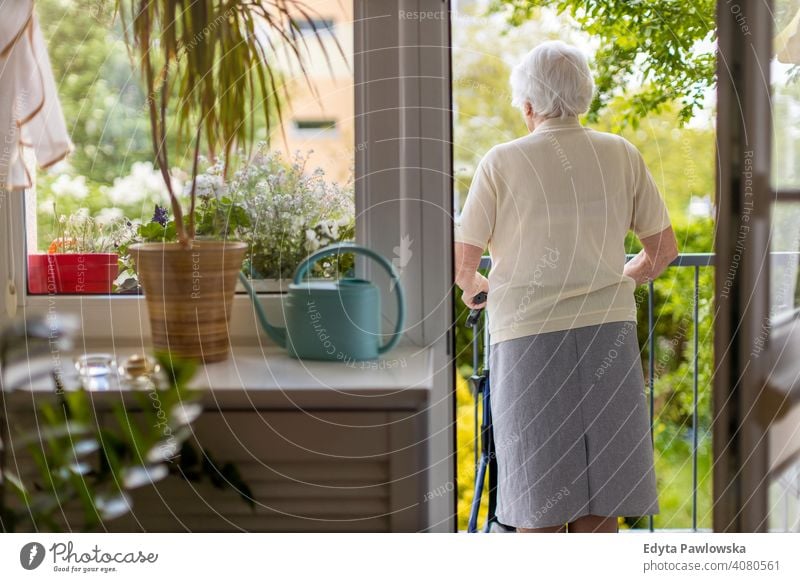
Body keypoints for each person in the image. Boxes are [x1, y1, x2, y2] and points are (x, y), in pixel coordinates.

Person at [454, 40, 678, 533]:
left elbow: (462, 262)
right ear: (584, 95)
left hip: (528, 339)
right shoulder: (620, 153)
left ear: (528, 105)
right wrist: (620, 279)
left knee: (540, 497)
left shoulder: (501, 160)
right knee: (602, 500)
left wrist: (476, 287)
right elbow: (663, 252)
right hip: (607, 334)